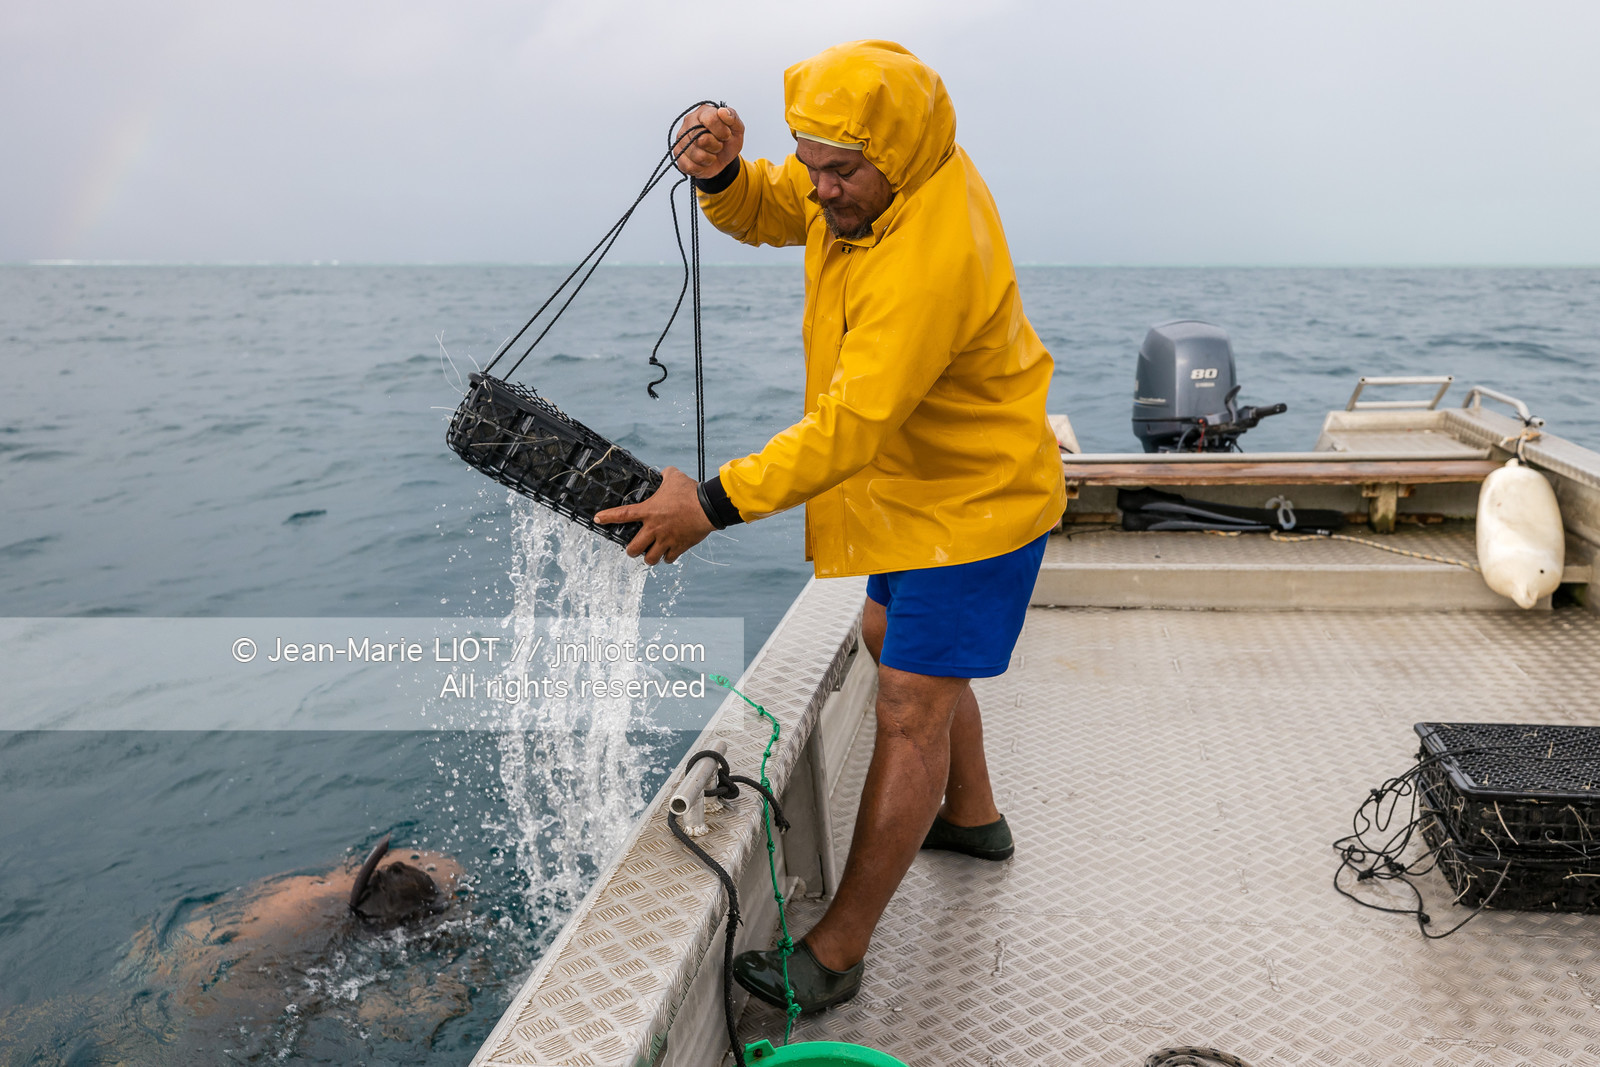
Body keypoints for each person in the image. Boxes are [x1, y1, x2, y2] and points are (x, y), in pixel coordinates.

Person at [595, 39, 1066, 1012]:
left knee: (909, 707)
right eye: (811, 163)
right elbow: (777, 204)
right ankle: (973, 815)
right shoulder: (877, 180)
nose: (818, 188)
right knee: (893, 640)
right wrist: (725, 174)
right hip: (915, 493)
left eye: (837, 170)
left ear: (890, 154)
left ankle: (838, 949)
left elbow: (850, 427)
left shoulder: (930, 253)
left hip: (972, 506)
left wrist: (709, 503)